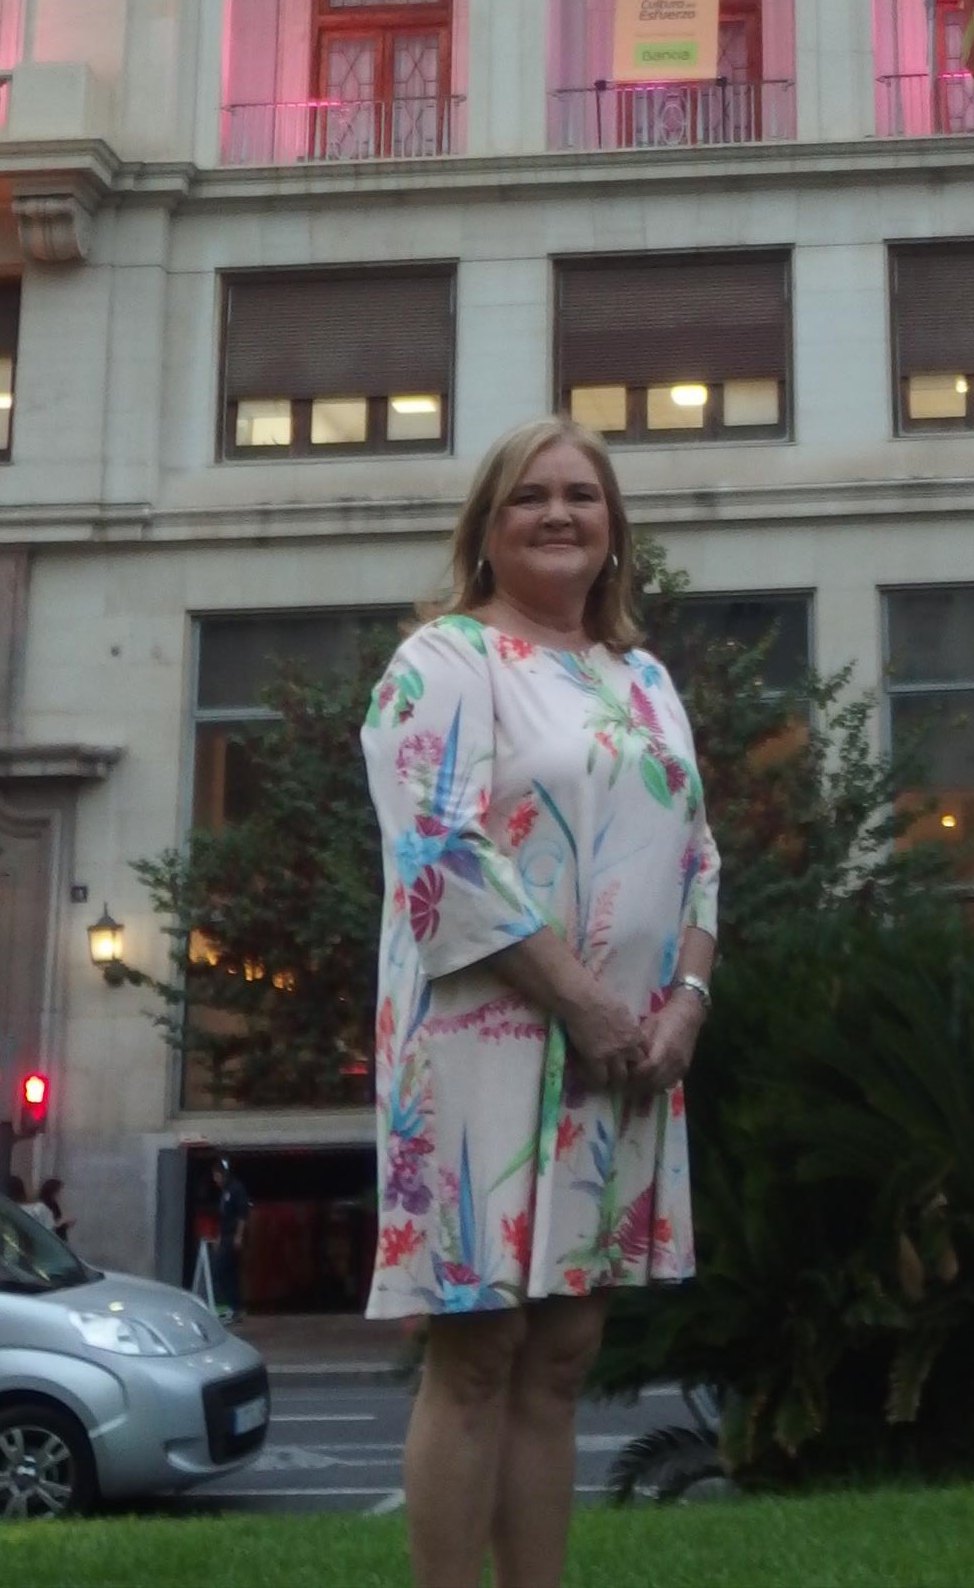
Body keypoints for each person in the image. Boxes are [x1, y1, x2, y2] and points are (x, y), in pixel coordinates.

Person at [362, 418, 720, 1588]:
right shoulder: (443, 661)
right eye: (530, 495)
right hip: (483, 1044)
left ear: (615, 527)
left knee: (563, 1351)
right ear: (486, 525)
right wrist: (585, 1003)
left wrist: (684, 1003)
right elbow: (442, 851)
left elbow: (700, 855)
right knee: (478, 1347)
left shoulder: (642, 677)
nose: (559, 512)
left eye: (582, 493)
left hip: (624, 1054)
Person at [210, 1156, 251, 1317]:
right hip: (226, 1236)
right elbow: (224, 1217)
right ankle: (237, 1308)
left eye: (216, 1176)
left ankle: (223, 1307)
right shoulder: (224, 1192)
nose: (215, 1180)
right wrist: (219, 1237)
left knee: (217, 1271)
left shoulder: (236, 1189)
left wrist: (238, 1236)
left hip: (232, 1237)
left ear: (223, 1174)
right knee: (230, 1275)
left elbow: (242, 1215)